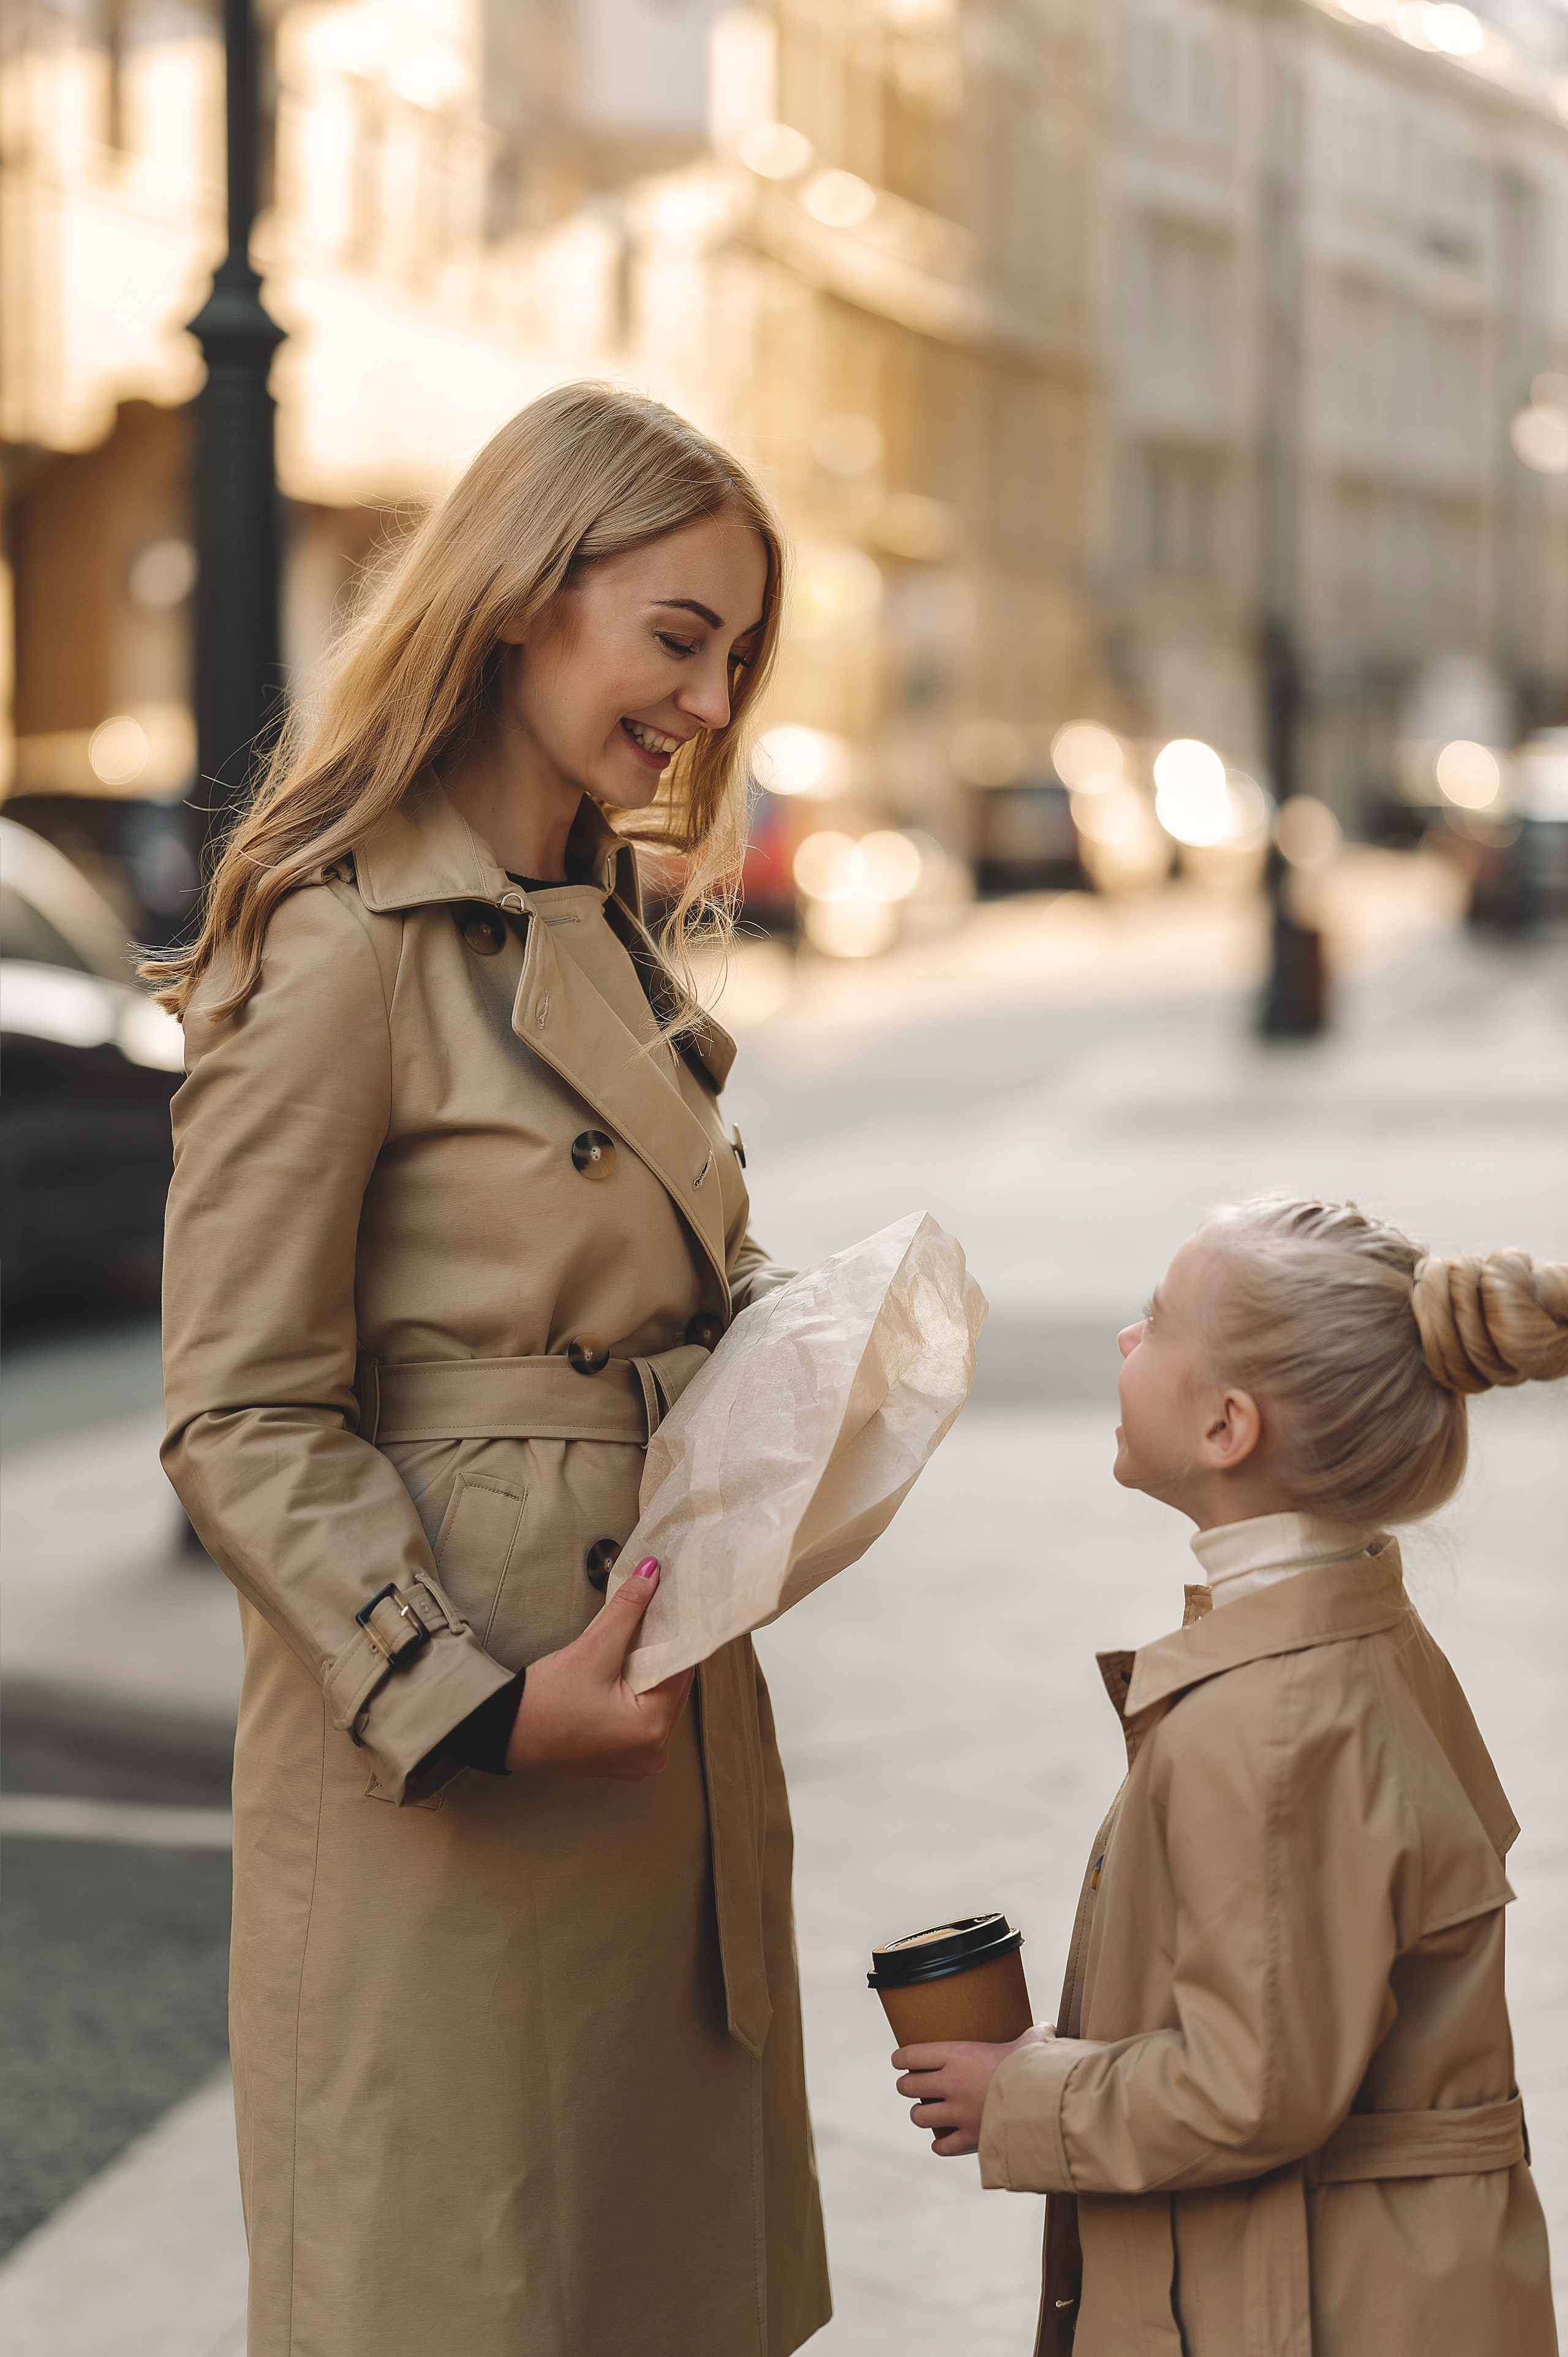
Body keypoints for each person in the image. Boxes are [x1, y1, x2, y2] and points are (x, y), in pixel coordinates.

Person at [149, 382, 832, 2356]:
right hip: (457, 1768)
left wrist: (813, 1352)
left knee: (649, 2296)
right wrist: (471, 1704)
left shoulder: (602, 924)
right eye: (678, 638)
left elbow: (654, 1281)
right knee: (464, 2295)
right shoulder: (340, 940)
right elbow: (238, 1410)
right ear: (526, 596)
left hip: (659, 1745)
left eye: (737, 655)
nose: (710, 703)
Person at [888, 1196, 1562, 2356]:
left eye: (1155, 1322)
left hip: (1320, 2305)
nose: (1124, 1338)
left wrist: (1022, 2095)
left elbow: (1253, 2086)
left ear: (1227, 1428)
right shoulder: (1357, 1640)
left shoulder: (1276, 1718)